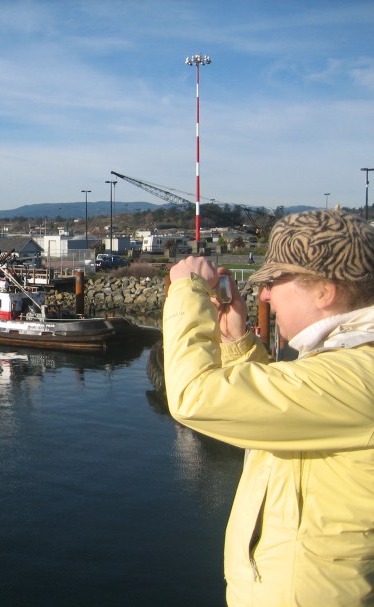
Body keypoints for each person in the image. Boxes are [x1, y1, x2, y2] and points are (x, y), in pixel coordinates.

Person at [162, 208, 374, 606]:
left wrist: (188, 289)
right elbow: (288, 414)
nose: (263, 295)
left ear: (324, 291)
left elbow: (194, 397)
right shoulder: (347, 364)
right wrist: (236, 343)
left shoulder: (356, 376)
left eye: (274, 282)